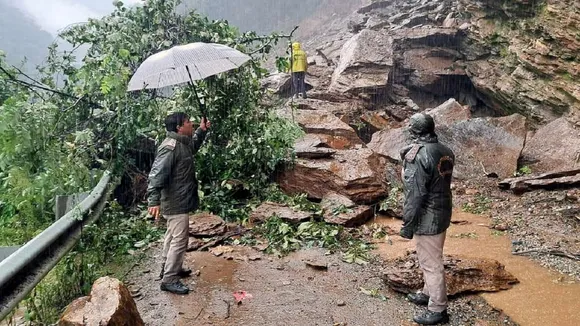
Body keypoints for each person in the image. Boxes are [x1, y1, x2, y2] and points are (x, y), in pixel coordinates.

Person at [399, 112, 455, 325]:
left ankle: (438, 309)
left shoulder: (418, 155)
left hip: (427, 216)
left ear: (414, 131)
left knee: (431, 262)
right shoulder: (445, 150)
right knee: (433, 255)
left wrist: (407, 224)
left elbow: (415, 195)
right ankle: (427, 292)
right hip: (443, 210)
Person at [147, 112, 210, 295]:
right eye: (188, 122)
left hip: (180, 198)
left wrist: (202, 130)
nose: (191, 124)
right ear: (178, 127)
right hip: (175, 202)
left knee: (172, 236)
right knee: (180, 240)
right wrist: (153, 200)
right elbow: (156, 175)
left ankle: (168, 267)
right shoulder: (170, 148)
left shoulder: (183, 143)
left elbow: (194, 146)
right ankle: (169, 279)